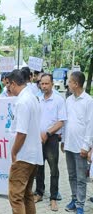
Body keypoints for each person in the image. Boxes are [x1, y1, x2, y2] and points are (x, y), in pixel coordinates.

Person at [6, 69, 43, 214]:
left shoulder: (22, 101)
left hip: (23, 156)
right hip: (33, 156)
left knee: (15, 197)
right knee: (27, 195)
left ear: (14, 83)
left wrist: (14, 152)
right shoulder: (32, 97)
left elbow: (21, 133)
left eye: (9, 85)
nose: (8, 88)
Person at [33, 74, 67, 211]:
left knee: (54, 169)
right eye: (42, 84)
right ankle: (39, 192)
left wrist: (48, 133)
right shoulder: (37, 99)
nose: (44, 86)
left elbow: (61, 121)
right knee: (38, 167)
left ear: (52, 84)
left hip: (51, 139)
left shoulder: (58, 100)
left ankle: (53, 198)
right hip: (38, 139)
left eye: (47, 83)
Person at [62, 72, 93, 214]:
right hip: (69, 145)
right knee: (71, 175)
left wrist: (86, 146)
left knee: (81, 178)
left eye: (70, 81)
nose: (68, 84)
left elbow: (90, 125)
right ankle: (74, 199)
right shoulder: (68, 100)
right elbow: (65, 122)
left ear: (76, 84)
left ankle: (80, 205)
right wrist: (63, 140)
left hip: (81, 147)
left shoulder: (88, 101)